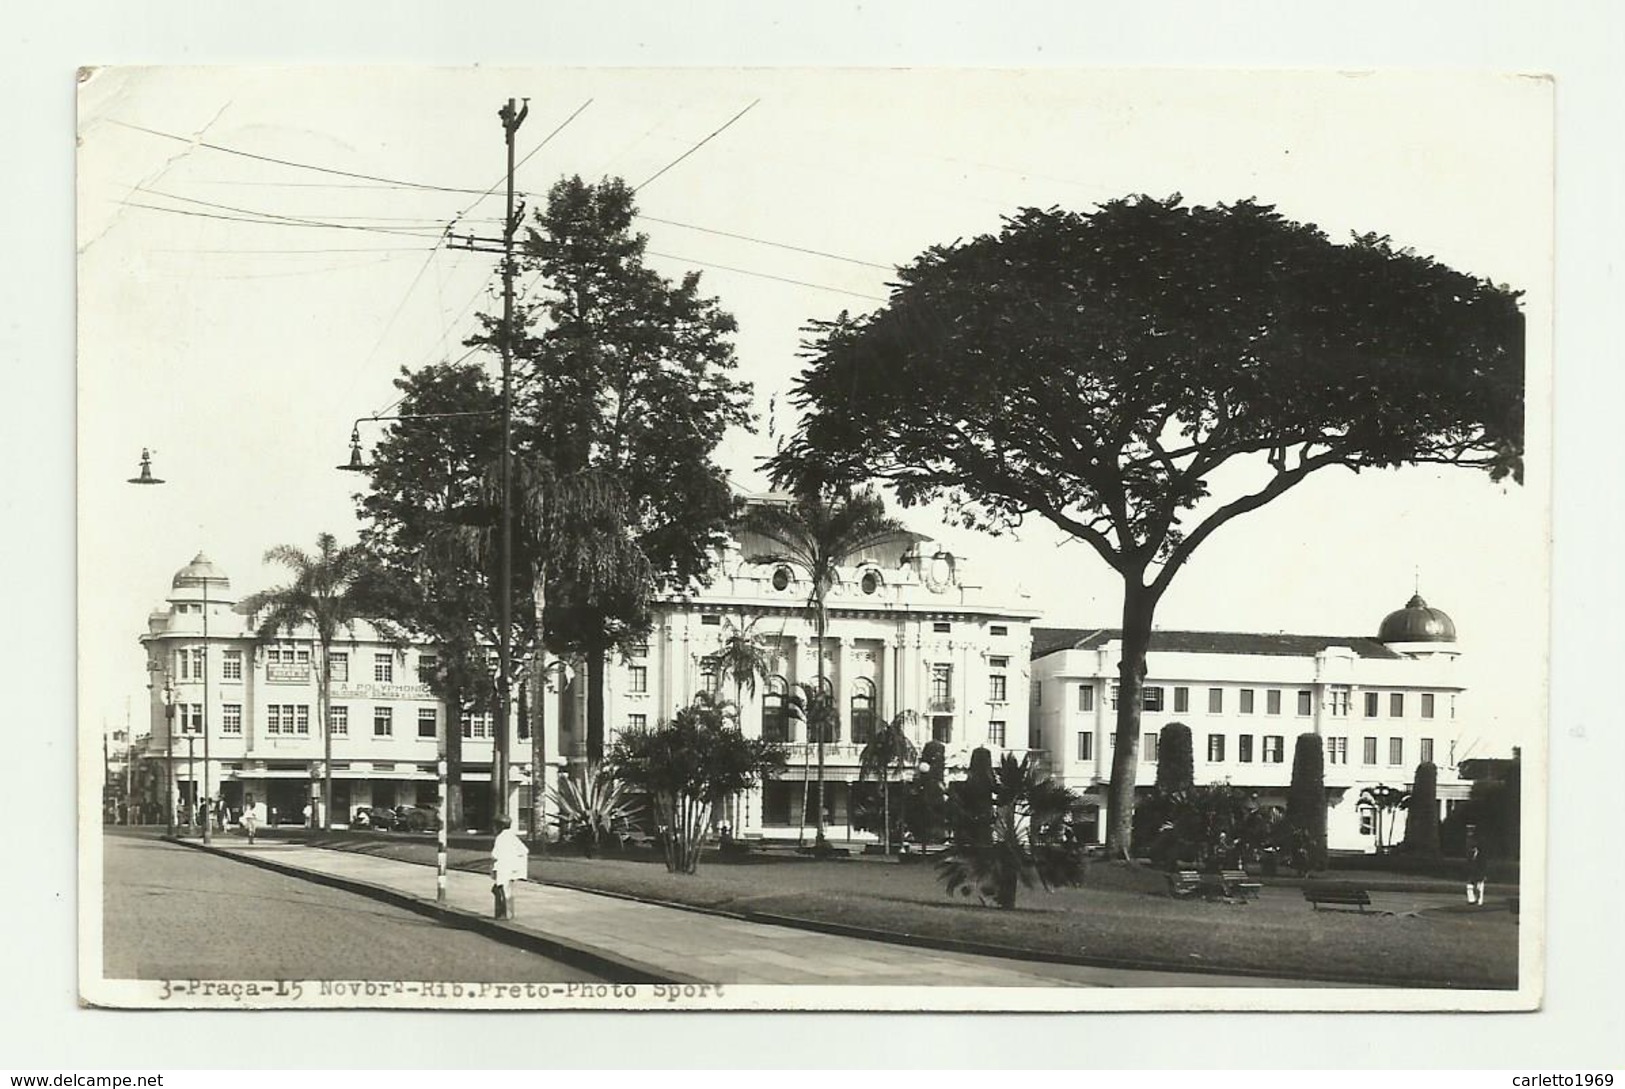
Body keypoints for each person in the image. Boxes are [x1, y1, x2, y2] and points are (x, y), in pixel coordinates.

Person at [490, 815, 528, 920]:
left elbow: (495, 854)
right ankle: (509, 913)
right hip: (512, 868)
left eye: (495, 826)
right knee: (507, 890)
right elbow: (524, 850)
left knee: (501, 890)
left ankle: (503, 913)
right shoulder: (513, 836)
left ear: (500, 826)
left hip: (503, 868)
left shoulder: (500, 838)